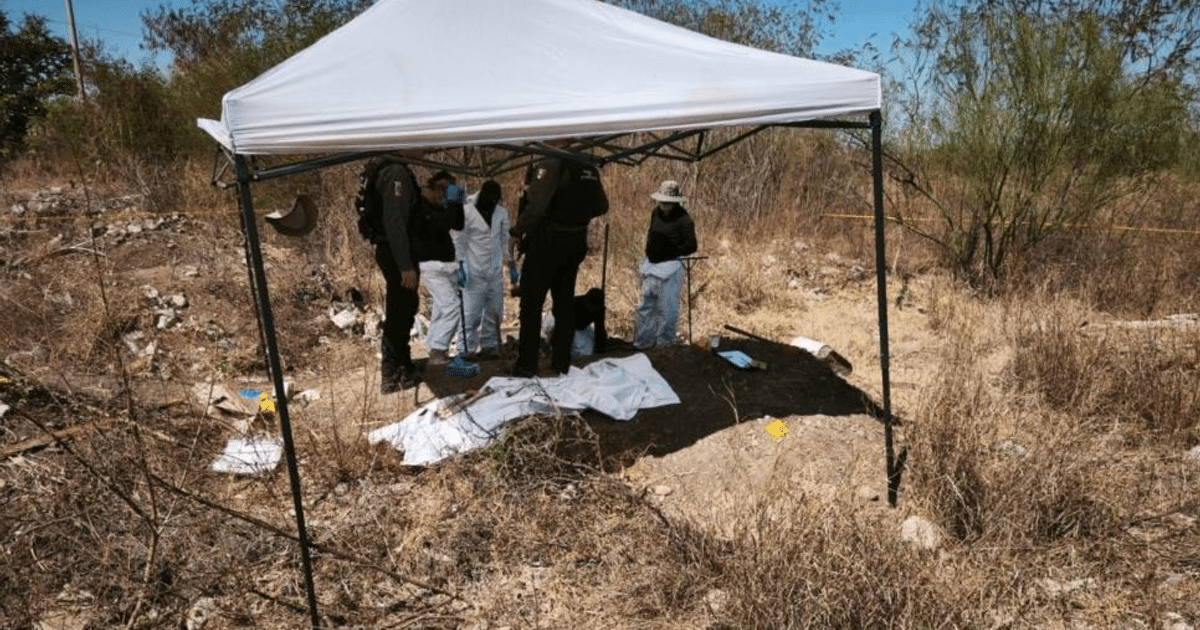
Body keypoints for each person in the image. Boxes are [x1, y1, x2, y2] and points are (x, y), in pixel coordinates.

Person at [509, 152, 609, 376]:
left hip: (548, 242)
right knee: (564, 304)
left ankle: (527, 365)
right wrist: (577, 214)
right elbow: (602, 206)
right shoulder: (589, 169)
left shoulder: (552, 165)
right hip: (575, 242)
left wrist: (517, 230)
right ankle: (561, 363)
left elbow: (536, 207)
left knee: (531, 304)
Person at [370, 157, 424, 393]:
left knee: (405, 306)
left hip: (394, 249)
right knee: (399, 310)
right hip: (395, 251)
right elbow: (394, 221)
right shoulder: (395, 173)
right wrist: (405, 264)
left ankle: (402, 364)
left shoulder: (389, 170)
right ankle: (392, 371)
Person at [633, 179, 697, 350]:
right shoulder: (656, 213)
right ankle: (643, 342)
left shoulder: (684, 220)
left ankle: (664, 347)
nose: (664, 205)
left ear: (675, 202)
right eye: (662, 201)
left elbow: (691, 245)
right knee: (645, 307)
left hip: (670, 268)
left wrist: (671, 251)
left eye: (668, 202)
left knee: (667, 310)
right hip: (651, 266)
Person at [453, 180, 514, 359]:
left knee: (495, 311)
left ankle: (490, 345)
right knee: (470, 314)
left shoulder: (501, 213)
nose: (493, 203)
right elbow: (459, 241)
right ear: (483, 196)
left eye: (496, 200)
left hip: (494, 271)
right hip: (474, 271)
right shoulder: (467, 212)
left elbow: (505, 240)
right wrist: (460, 265)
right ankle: (466, 350)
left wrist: (511, 264)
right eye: (491, 199)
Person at [416, 170, 466, 364]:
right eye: (444, 191)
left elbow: (458, 224)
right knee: (452, 307)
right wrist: (452, 203)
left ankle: (433, 347)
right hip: (431, 265)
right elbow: (441, 223)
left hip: (446, 265)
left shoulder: (437, 207)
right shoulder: (420, 206)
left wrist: (457, 203)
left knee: (441, 308)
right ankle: (438, 347)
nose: (444, 197)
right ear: (435, 188)